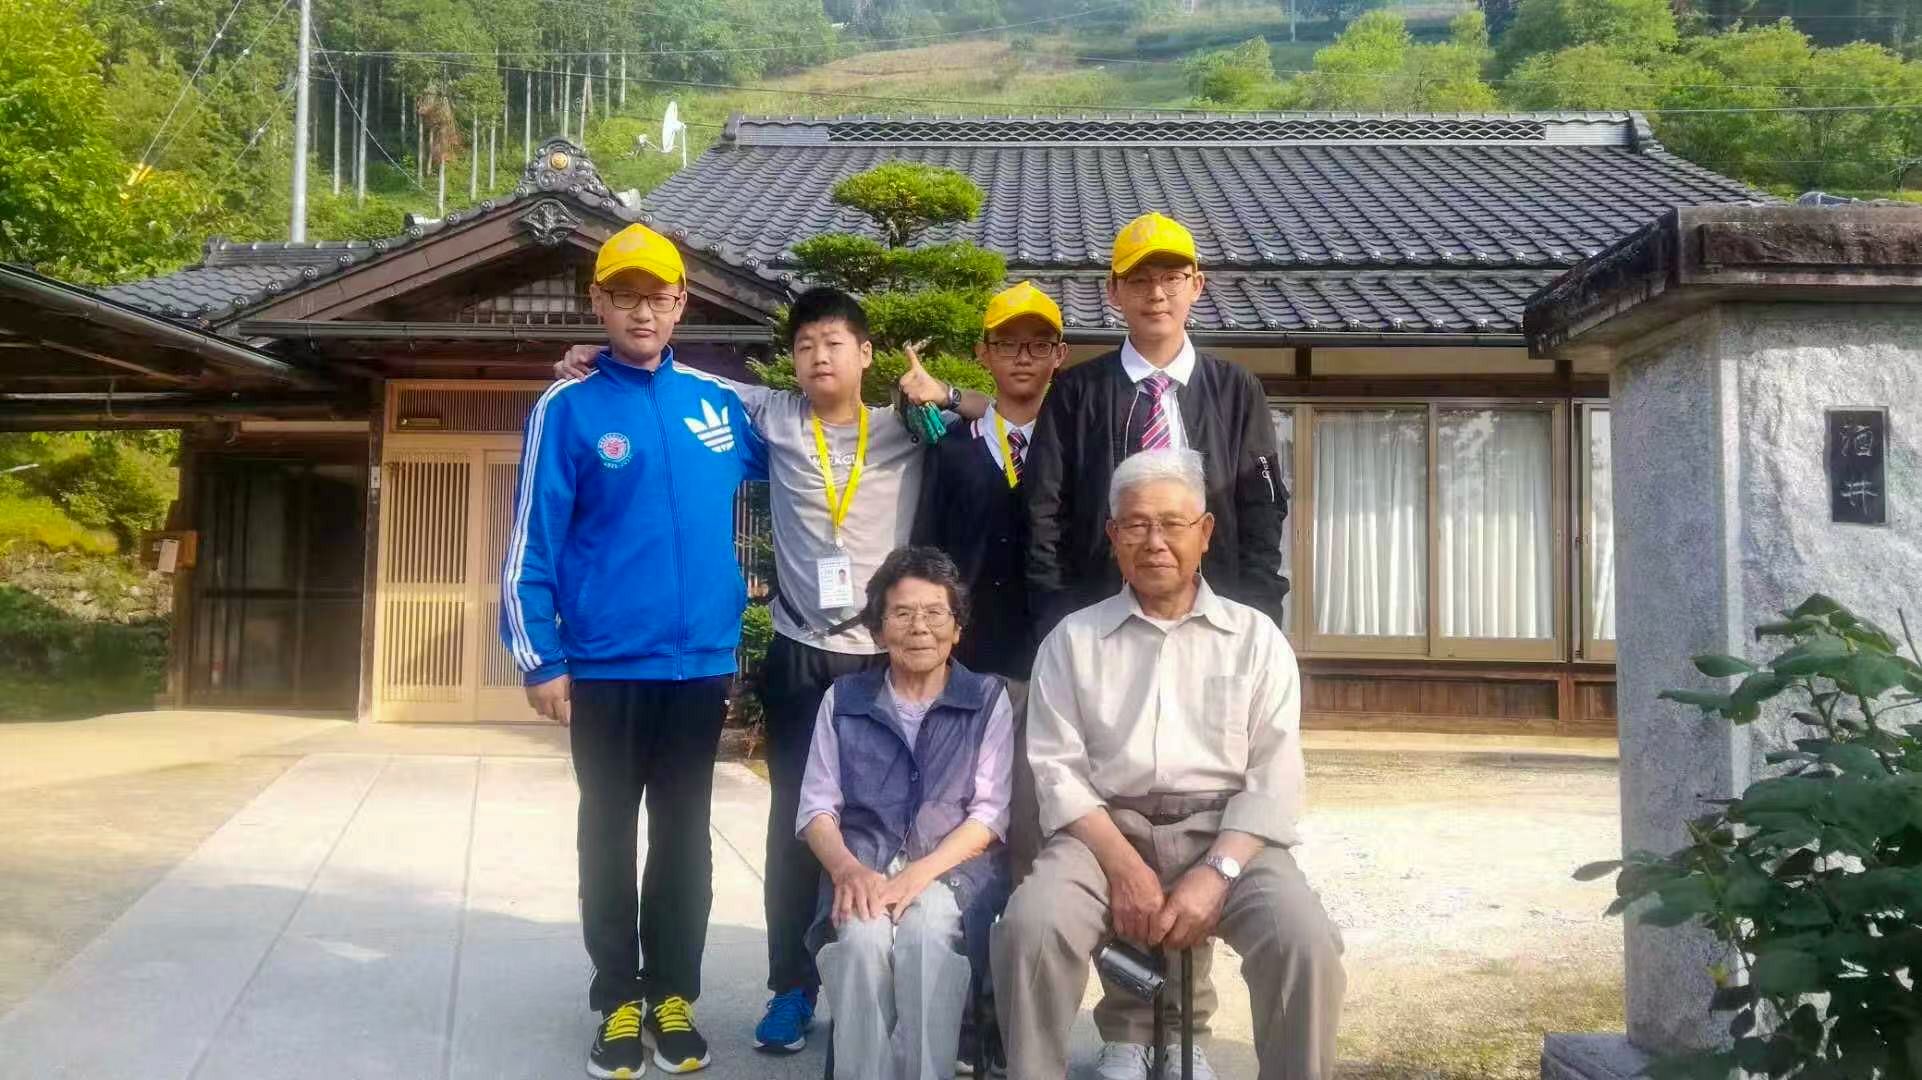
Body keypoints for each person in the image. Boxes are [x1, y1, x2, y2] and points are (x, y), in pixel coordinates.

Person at [556, 288, 990, 1054]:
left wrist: (948, 393)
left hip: (883, 658)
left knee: (901, 820)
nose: (820, 357)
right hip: (799, 654)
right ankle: (792, 986)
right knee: (797, 821)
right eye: (805, 346)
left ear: (866, 354)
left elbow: (998, 418)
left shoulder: (908, 428)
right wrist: (603, 355)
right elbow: (682, 374)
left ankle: (889, 983)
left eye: (835, 343)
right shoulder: (775, 416)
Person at [503, 223, 769, 1078]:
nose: (642, 311)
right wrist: (542, 657)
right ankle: (618, 998)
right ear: (599, 302)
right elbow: (532, 541)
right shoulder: (568, 407)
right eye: (624, 296)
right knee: (609, 837)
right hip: (607, 666)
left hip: (699, 666)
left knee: (686, 840)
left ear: (682, 303)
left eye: (658, 296)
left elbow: (813, 443)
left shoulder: (718, 404)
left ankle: (674, 995)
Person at [991, 450, 1344, 1080]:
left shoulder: (1256, 639)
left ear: (1205, 533)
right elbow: (1056, 770)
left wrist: (1217, 872)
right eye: (1136, 524)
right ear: (1113, 536)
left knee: (1304, 941)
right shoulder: (1071, 641)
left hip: (1224, 833)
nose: (1154, 542)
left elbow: (1274, 776)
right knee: (1031, 926)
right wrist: (1124, 866)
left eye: (1172, 524)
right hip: (1104, 832)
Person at [797, 546, 1015, 1080]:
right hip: (864, 866)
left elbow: (990, 814)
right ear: (878, 630)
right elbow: (816, 808)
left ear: (957, 628)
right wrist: (847, 869)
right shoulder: (843, 700)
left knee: (926, 935)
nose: (920, 627)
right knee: (860, 939)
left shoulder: (987, 699)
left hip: (951, 869)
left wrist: (920, 874)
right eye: (902, 613)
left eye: (935, 613)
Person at [1023, 211, 1289, 641]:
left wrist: (1256, 612)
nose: (1157, 294)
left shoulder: (1237, 390)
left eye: (1172, 278)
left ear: (1196, 285)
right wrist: (1058, 616)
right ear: (1113, 291)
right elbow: (1044, 512)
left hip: (1214, 620)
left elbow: (1263, 509)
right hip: (1099, 622)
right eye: (1139, 280)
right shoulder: (1075, 392)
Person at [911, 281, 1065, 885]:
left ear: (1060, 354)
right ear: (983, 353)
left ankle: (1024, 940)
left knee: (1037, 815)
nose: (1022, 357)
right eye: (1006, 344)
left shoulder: (1075, 445)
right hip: (968, 660)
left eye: (1038, 344)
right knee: (958, 813)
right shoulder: (952, 448)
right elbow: (927, 550)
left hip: (1050, 660)